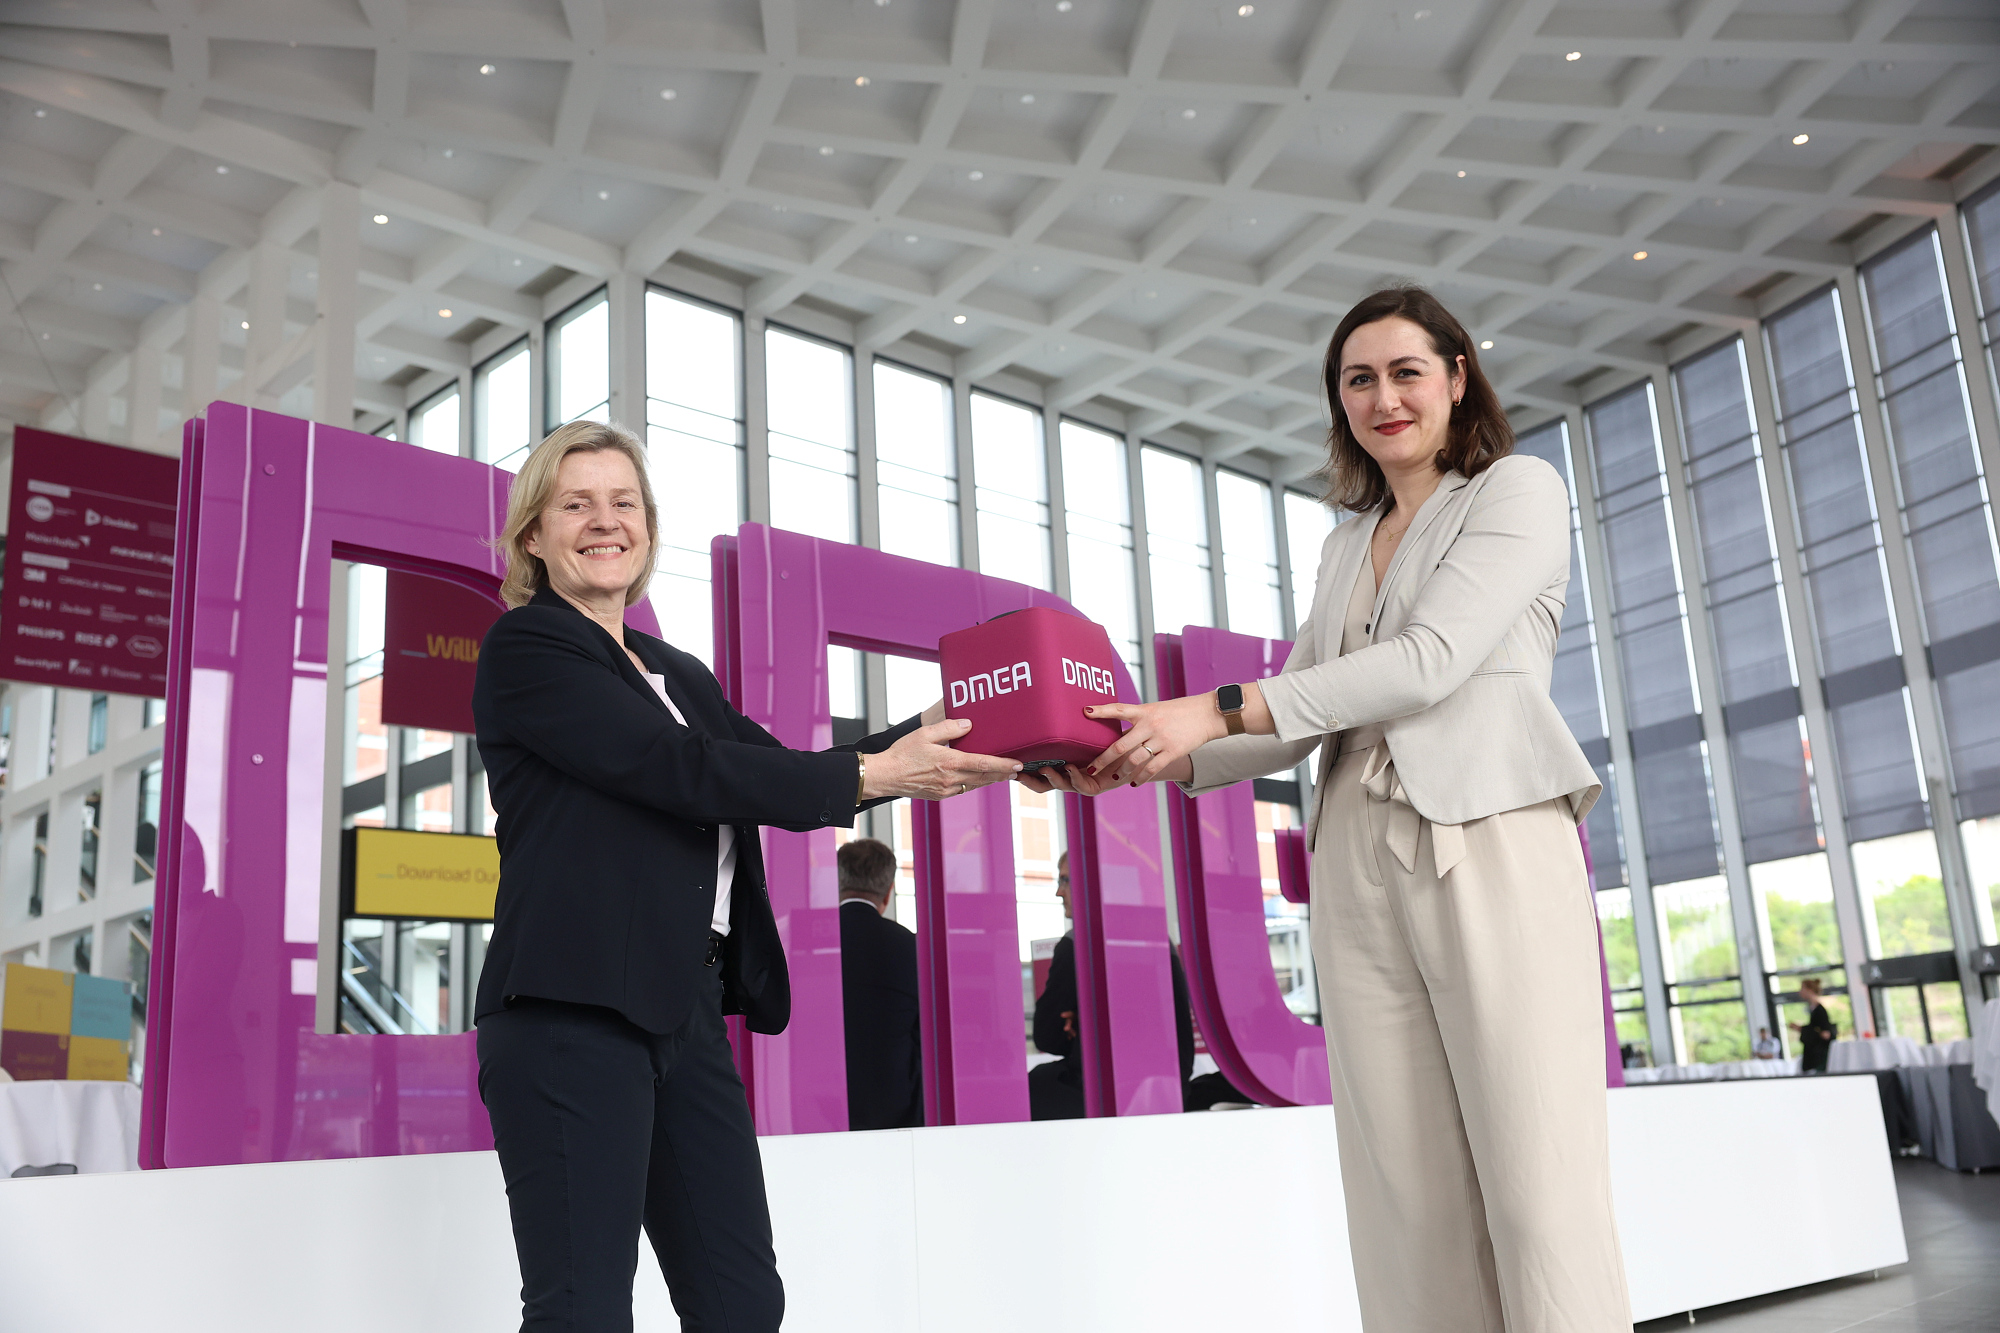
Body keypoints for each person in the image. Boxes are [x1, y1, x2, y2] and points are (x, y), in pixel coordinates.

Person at [1028, 286, 1632, 1330]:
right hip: (1353, 854)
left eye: (1405, 371)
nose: (1383, 396)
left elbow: (1429, 661)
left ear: (1455, 377)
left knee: (1538, 1191)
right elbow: (1297, 717)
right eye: (1358, 378)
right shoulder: (1345, 543)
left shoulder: (1515, 491)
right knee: (1403, 1201)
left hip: (1484, 834)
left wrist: (1209, 708)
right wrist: (1135, 753)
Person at [470, 420, 1021, 1332]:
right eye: (576, 504)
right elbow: (675, 769)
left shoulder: (673, 671)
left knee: (741, 1302)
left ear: (647, 525)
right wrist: (875, 776)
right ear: (534, 534)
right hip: (568, 1014)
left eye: (625, 502)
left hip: (680, 1012)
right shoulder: (528, 648)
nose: (606, 520)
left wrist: (964, 719)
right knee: (583, 1310)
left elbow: (778, 766)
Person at [1029, 853, 1243, 1118]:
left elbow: (1046, 1037)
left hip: (1102, 1095)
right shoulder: (1159, 940)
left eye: (1064, 880)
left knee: (1027, 1088)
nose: (1058, 892)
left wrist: (1076, 1027)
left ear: (1090, 884)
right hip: (1169, 1090)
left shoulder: (1078, 944)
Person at [836, 838, 922, 1130]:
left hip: (814, 1101)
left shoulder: (806, 944)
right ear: (888, 892)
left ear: (837, 883)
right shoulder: (911, 947)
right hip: (896, 1108)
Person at [1790, 978, 1838, 1073]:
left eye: (1802, 988)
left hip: (1818, 1056)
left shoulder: (1820, 1010)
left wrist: (1802, 1029)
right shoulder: (1813, 1009)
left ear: (1809, 990)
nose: (1800, 992)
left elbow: (1825, 1034)